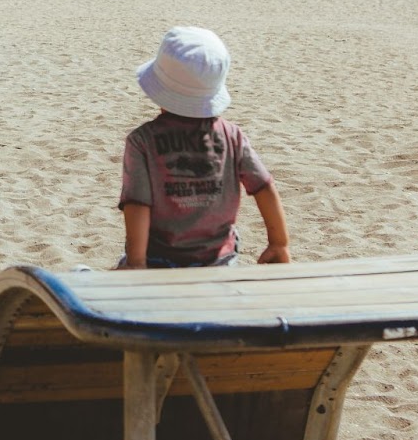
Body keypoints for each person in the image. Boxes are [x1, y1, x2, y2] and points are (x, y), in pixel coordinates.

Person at [117, 26, 290, 269]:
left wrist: (136, 263)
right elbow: (264, 187)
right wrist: (279, 243)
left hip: (159, 259)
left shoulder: (142, 141)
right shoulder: (232, 136)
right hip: (219, 260)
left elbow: (138, 204)